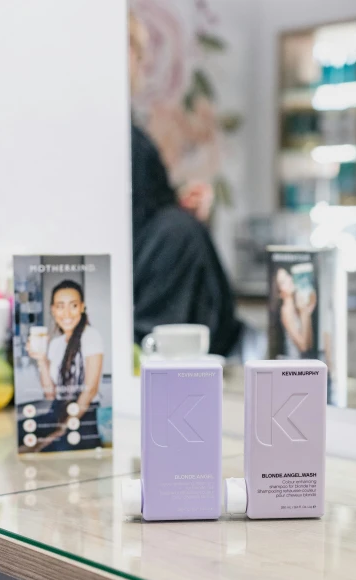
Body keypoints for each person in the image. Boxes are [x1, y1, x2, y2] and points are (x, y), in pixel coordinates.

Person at [129, 11, 242, 357]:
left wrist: (180, 205)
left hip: (146, 289)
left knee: (180, 230)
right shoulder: (119, 140)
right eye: (138, 52)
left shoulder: (132, 138)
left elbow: (143, 213)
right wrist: (175, 222)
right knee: (180, 234)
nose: (145, 66)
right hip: (140, 306)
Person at [24, 280, 104, 452]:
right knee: (21, 435)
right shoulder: (55, 344)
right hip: (58, 411)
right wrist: (41, 360)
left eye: (73, 305)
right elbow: (50, 394)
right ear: (53, 310)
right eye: (60, 306)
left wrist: (59, 432)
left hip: (83, 415)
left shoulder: (91, 336)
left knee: (47, 450)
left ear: (82, 307)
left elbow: (89, 391)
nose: (66, 313)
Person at [276, 268, 317, 357]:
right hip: (293, 363)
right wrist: (303, 313)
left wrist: (306, 312)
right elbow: (303, 347)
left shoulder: (296, 307)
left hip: (302, 361)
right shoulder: (286, 310)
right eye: (283, 282)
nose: (289, 280)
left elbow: (309, 344)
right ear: (280, 292)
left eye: (287, 276)